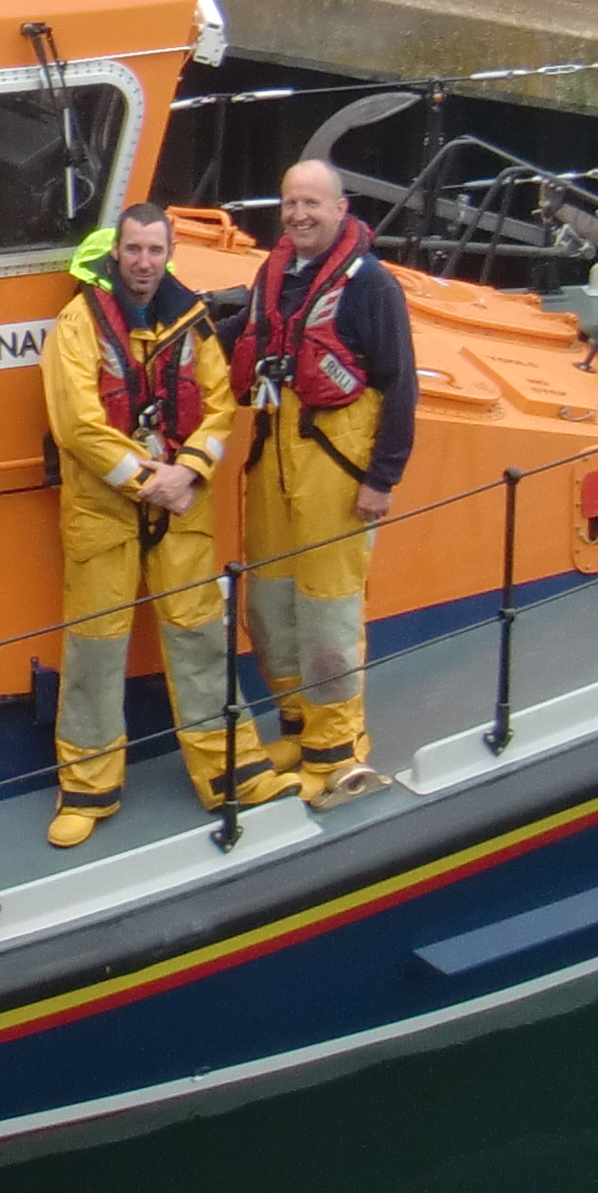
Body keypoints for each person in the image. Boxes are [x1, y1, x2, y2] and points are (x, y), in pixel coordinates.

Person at [41, 204, 285, 845]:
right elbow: (78, 425)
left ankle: (233, 770)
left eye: (154, 250)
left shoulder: (194, 323)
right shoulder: (77, 325)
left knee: (201, 637)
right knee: (95, 647)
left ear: (166, 253)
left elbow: (219, 408)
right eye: (134, 250)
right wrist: (154, 482)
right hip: (106, 513)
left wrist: (190, 472)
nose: (144, 262)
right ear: (115, 255)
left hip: (182, 506)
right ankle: (87, 788)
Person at [226, 160, 420, 802]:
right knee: (269, 605)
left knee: (328, 611)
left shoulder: (373, 287)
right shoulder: (274, 274)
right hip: (274, 460)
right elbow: (246, 335)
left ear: (341, 208)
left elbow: (400, 385)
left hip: (335, 468)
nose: (299, 214)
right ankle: (298, 725)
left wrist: (382, 478)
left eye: (312, 203)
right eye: (289, 203)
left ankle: (337, 748)